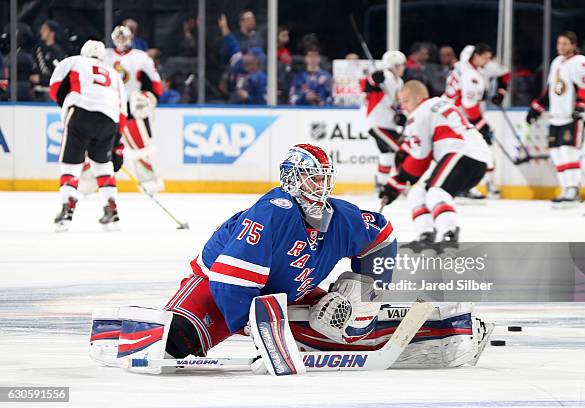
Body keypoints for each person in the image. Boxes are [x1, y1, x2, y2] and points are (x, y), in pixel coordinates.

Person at [90, 144, 493, 373]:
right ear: (292, 179)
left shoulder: (342, 217)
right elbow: (231, 278)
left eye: (325, 177)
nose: (322, 185)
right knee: (179, 339)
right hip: (219, 287)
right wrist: (252, 328)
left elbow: (384, 238)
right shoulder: (275, 212)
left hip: (284, 293)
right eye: (314, 177)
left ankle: (443, 332)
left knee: (343, 325)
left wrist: (362, 287)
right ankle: (119, 335)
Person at [379, 81, 492, 249]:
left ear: (419, 98)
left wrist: (397, 181)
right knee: (418, 193)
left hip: (463, 154)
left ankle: (449, 234)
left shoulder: (420, 112)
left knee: (436, 193)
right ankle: (425, 236)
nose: (403, 107)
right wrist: (400, 181)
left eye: (406, 101)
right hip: (474, 156)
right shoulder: (438, 104)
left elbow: (420, 158)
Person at [49, 40, 127, 232]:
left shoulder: (73, 61)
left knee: (71, 164)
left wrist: (67, 103)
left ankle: (67, 207)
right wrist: (117, 143)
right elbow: (123, 112)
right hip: (109, 119)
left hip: (81, 113)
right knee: (103, 165)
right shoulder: (114, 74)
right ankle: (111, 208)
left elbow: (55, 87)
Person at [526, 31, 585, 207]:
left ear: (573, 45)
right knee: (556, 153)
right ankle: (565, 188)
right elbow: (551, 89)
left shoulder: (581, 62)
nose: (561, 47)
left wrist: (580, 107)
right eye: (559, 43)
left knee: (568, 151)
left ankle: (573, 189)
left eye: (565, 44)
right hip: (556, 116)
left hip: (571, 116)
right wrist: (537, 107)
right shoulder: (556, 62)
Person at [444, 43, 509, 197]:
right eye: (485, 58)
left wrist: (500, 91)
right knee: (475, 151)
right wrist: (483, 127)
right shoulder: (472, 77)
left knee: (464, 152)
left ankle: (467, 186)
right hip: (460, 118)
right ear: (476, 56)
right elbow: (469, 107)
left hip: (449, 114)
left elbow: (504, 72)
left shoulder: (459, 67)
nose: (487, 62)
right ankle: (469, 187)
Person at [105, 25, 164, 192]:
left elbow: (155, 82)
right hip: (109, 104)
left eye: (124, 37)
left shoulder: (141, 57)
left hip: (132, 105)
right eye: (119, 36)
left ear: (130, 38)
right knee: (98, 143)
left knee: (141, 145)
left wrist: (152, 99)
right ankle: (88, 183)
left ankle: (150, 181)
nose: (121, 40)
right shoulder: (105, 56)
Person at [361, 50, 405, 190]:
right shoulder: (385, 76)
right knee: (400, 150)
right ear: (393, 66)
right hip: (377, 123)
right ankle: (399, 181)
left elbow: (398, 103)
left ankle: (381, 182)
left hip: (389, 124)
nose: (403, 68)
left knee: (387, 154)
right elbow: (366, 86)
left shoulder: (400, 81)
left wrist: (400, 115)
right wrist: (373, 79)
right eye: (400, 65)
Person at [32, 20, 66, 100]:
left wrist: (41, 79)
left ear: (52, 33)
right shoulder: (40, 49)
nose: (41, 31)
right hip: (38, 91)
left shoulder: (57, 52)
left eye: (45, 29)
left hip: (50, 92)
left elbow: (61, 73)